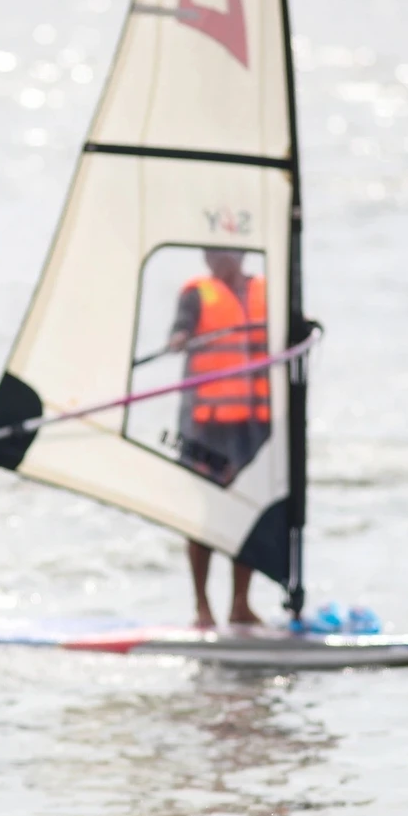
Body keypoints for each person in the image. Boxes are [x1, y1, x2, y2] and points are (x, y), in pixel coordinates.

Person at [163, 248, 269, 628]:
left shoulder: (266, 292)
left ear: (240, 254)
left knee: (247, 513)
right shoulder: (197, 294)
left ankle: (241, 604)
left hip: (252, 427)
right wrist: (179, 339)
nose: (219, 260)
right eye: (212, 254)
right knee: (204, 517)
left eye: (226, 254)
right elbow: (181, 329)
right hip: (205, 426)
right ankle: (202, 608)